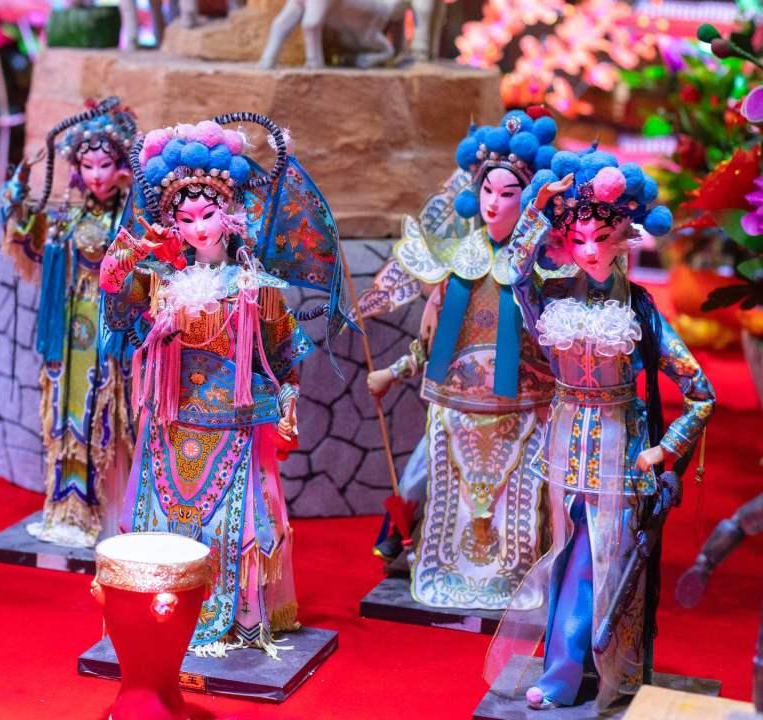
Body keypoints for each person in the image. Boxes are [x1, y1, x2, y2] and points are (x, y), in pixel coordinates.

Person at [100, 114, 348, 655]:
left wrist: (288, 400)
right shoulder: (161, 278)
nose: (198, 228)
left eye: (208, 214)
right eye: (185, 218)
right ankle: (160, 609)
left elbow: (284, 353)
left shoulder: (254, 285)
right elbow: (115, 297)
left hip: (237, 424)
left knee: (237, 524)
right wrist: (132, 255)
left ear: (230, 213)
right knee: (167, 515)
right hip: (170, 419)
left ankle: (239, 619)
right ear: (172, 223)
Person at [487, 150, 715, 709]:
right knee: (563, 555)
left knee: (601, 561)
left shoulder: (641, 312)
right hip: (562, 449)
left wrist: (664, 449)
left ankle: (581, 670)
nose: (590, 250)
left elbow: (700, 392)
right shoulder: (550, 300)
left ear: (623, 239)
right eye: (578, 238)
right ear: (564, 241)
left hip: (620, 452)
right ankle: (575, 665)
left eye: (602, 237)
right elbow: (512, 271)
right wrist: (537, 209)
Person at [366, 109, 559, 610]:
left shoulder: (541, 269)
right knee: (419, 476)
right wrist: (394, 371)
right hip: (454, 402)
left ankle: (544, 564)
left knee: (534, 493)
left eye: (508, 193)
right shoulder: (458, 261)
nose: (494, 202)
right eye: (488, 190)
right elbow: (433, 345)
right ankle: (406, 545)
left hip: (524, 407)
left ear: (527, 199)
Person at [1, 98, 139, 548]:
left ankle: (116, 513)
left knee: (111, 412)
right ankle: (71, 509)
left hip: (113, 329)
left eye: (105, 164)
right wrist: (17, 202)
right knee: (67, 412)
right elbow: (31, 247)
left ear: (121, 167)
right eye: (88, 165)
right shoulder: (68, 215)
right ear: (77, 168)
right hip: (71, 331)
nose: (96, 175)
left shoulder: (133, 217)